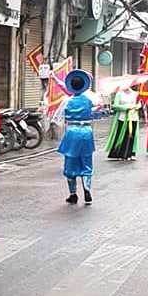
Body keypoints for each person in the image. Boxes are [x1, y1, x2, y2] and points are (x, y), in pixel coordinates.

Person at [57, 70, 99, 205]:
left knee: (70, 162)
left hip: (72, 132)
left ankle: (73, 194)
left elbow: (58, 118)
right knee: (87, 162)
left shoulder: (67, 101)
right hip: (86, 132)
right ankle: (87, 189)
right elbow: (98, 112)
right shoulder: (90, 100)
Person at [106, 86, 140, 160]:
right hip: (122, 117)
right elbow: (115, 105)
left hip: (133, 117)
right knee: (121, 135)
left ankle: (131, 153)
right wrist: (126, 107)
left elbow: (139, 103)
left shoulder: (135, 94)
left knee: (132, 135)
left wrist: (136, 107)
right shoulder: (119, 94)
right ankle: (120, 153)